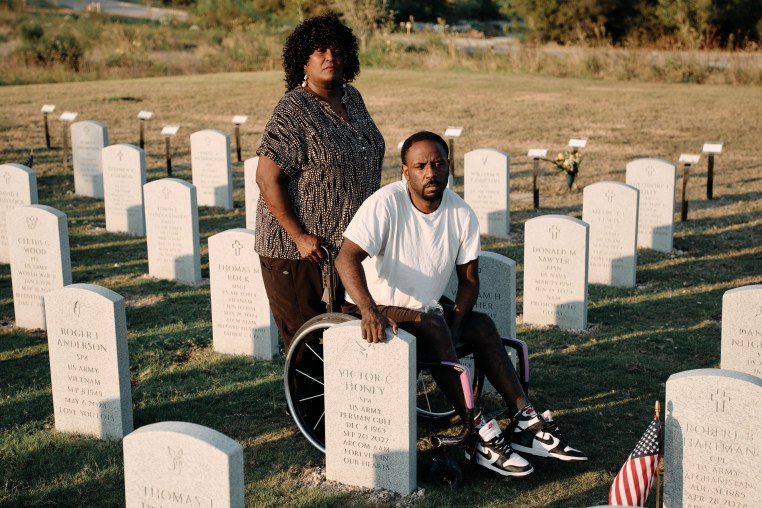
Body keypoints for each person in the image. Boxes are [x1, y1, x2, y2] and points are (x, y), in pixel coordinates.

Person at [335, 131, 587, 477]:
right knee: (434, 325)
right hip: (375, 307)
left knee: (480, 325)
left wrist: (454, 331)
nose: (431, 173)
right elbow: (346, 258)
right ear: (405, 172)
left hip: (425, 309)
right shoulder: (385, 204)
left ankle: (525, 420)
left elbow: (469, 281)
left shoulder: (461, 212)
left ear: (448, 166)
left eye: (438, 164)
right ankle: (478, 431)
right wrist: (368, 309)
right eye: (421, 166)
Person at [255, 13, 385, 352]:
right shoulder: (293, 110)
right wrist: (298, 236)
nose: (331, 57)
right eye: (320, 51)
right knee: (308, 341)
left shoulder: (352, 98)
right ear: (304, 60)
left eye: (338, 50)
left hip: (346, 249)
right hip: (297, 251)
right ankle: (307, 407)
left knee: (344, 337)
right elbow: (266, 179)